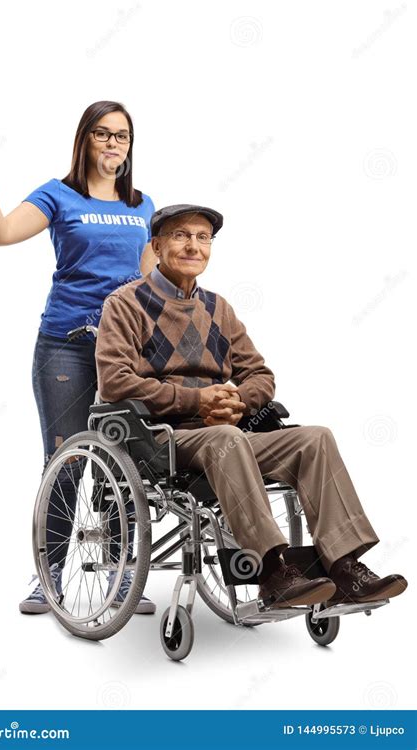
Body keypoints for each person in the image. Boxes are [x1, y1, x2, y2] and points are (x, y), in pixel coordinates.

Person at [94, 204, 408, 608]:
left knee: (315, 439)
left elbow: (261, 374)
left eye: (203, 238)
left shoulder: (217, 308)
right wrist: (197, 399)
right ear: (155, 246)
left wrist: (239, 402)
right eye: (181, 236)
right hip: (160, 438)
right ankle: (273, 571)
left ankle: (344, 567)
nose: (194, 246)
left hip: (226, 433)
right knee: (227, 439)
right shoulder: (124, 304)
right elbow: (115, 382)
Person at [0, 101, 158, 615]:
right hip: (66, 345)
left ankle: (118, 578)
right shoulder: (59, 194)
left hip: (123, 351)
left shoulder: (142, 206)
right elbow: (0, 234)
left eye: (122, 135)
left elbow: (148, 285)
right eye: (103, 134)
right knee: (69, 461)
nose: (113, 143)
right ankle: (48, 574)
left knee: (122, 466)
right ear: (85, 140)